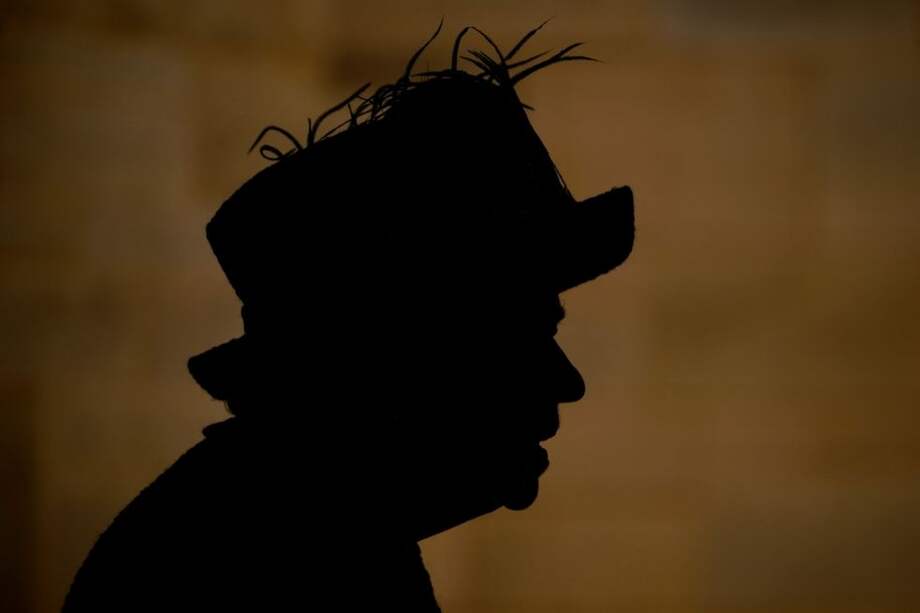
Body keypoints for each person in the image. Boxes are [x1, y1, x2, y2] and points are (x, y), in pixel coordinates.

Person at [63, 22, 634, 611]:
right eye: (521, 333)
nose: (568, 383)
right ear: (402, 353)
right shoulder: (278, 564)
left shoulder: (305, 537)